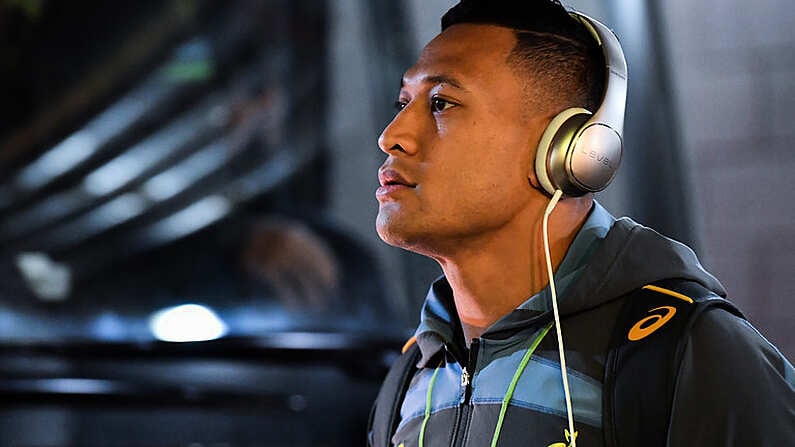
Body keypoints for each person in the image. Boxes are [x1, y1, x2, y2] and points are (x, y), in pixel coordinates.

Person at [367, 1, 795, 446]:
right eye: (403, 102)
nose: (392, 135)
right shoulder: (412, 377)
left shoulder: (690, 354)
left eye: (441, 103)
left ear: (568, 150)